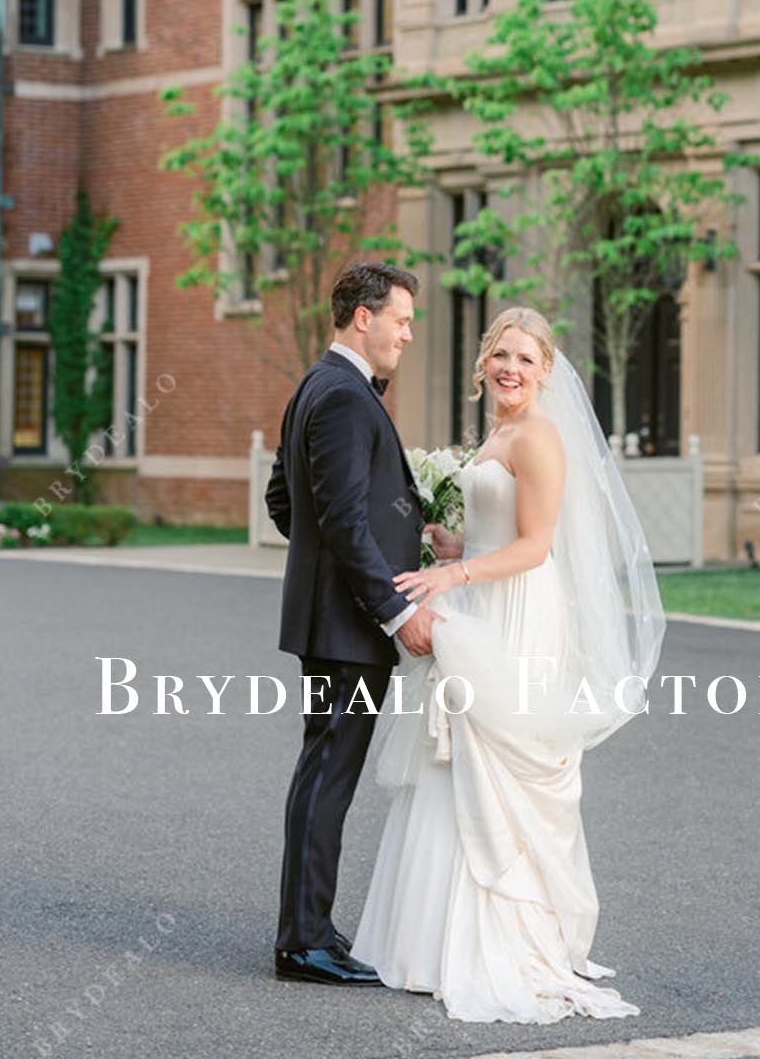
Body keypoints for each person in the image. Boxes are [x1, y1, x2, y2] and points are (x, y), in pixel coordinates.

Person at [350, 305, 666, 1023]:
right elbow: (499, 531)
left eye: (525, 359)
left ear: (546, 371)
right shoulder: (498, 432)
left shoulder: (541, 437)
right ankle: (422, 945)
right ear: (482, 363)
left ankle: (505, 941)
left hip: (519, 613)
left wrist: (454, 580)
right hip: (484, 598)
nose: (510, 369)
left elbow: (536, 546)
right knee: (453, 759)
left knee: (498, 762)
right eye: (500, 355)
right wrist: (454, 546)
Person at [265, 260, 442, 987]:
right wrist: (396, 607)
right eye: (401, 319)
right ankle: (303, 942)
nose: (407, 333)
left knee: (323, 774)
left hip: (331, 620)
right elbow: (336, 517)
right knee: (328, 776)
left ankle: (310, 930)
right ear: (362, 317)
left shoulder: (319, 384)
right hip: (346, 629)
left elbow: (287, 503)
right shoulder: (341, 395)